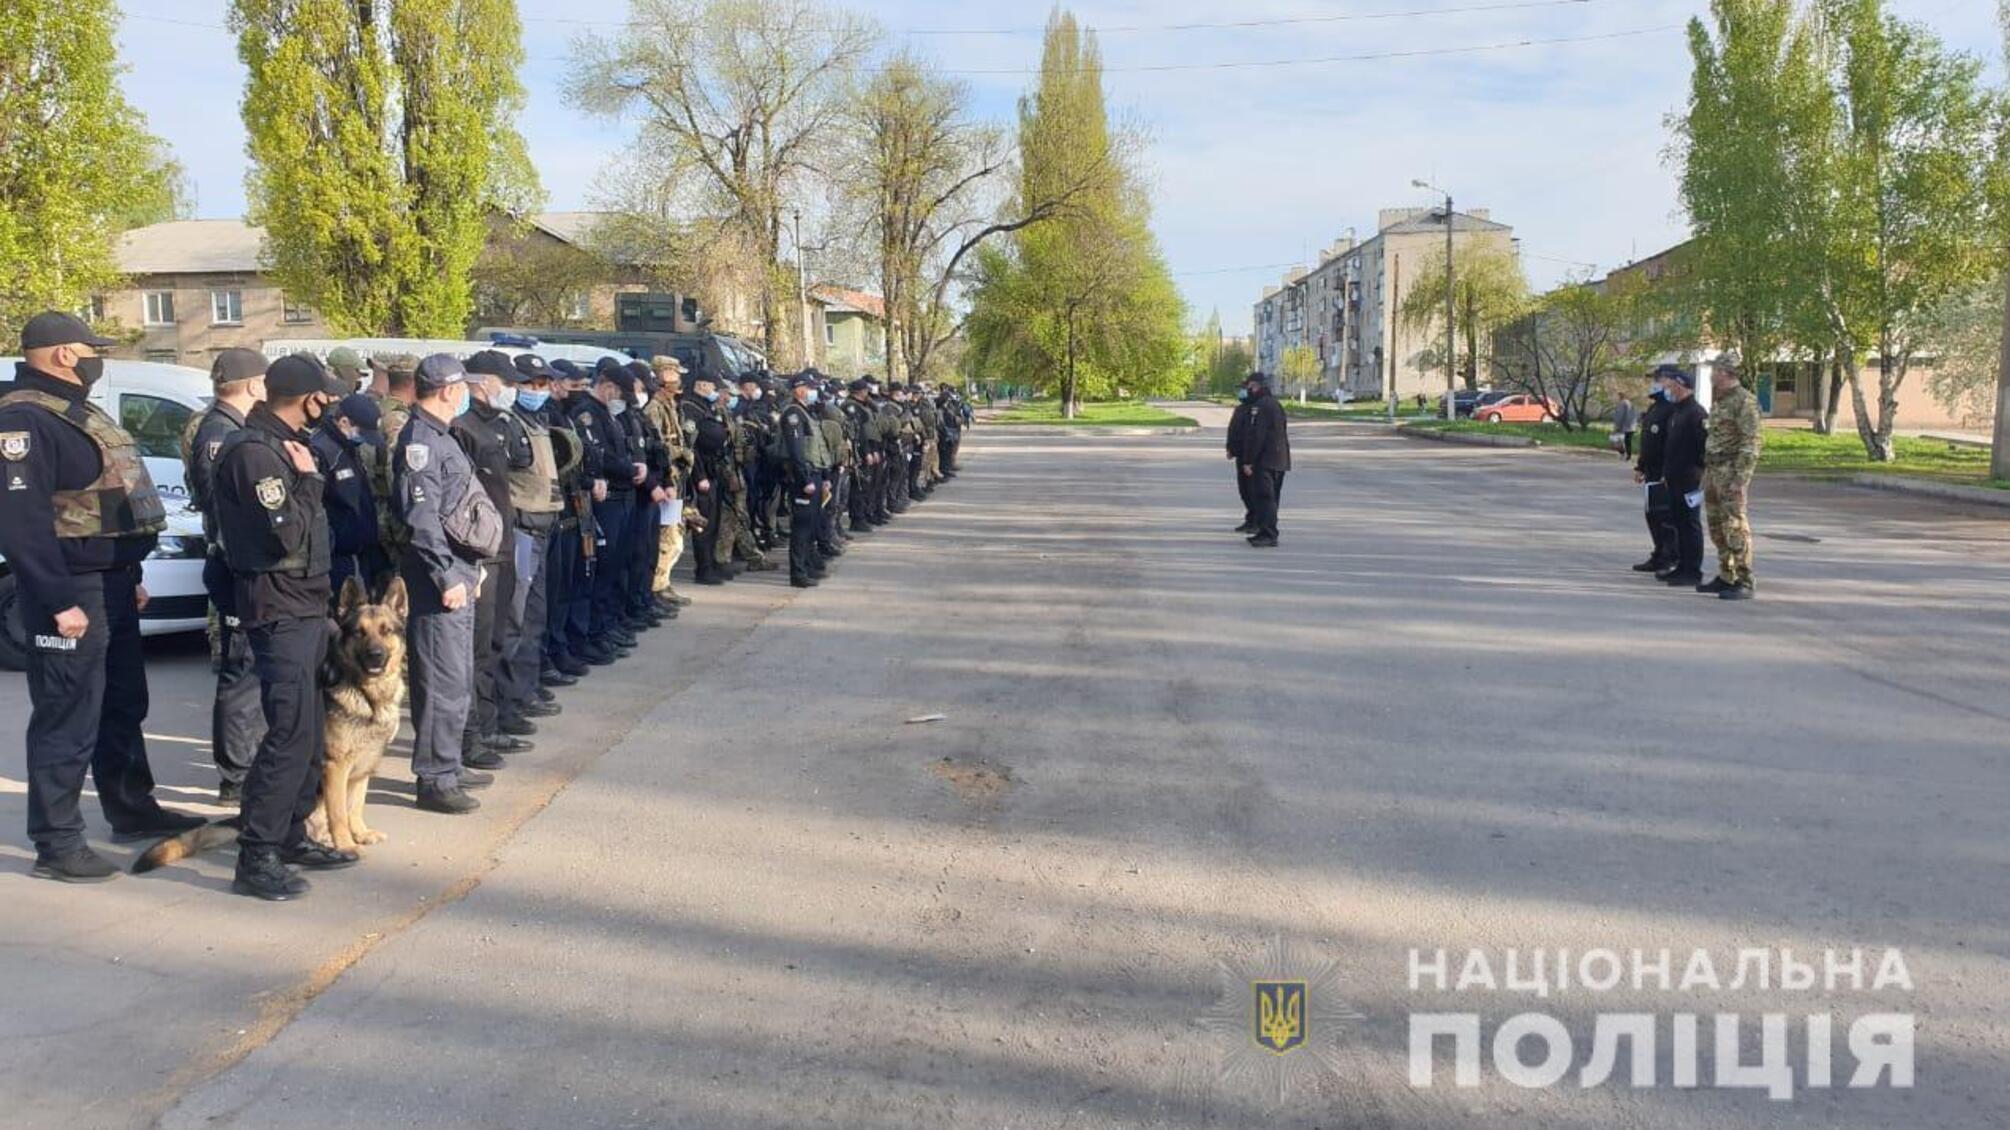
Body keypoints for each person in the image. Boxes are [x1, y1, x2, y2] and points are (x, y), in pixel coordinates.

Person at [0, 312, 205, 881]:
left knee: (120, 703)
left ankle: (132, 808)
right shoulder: (23, 419)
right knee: (67, 714)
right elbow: (20, 524)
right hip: (69, 589)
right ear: (63, 354)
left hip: (110, 581)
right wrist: (58, 599)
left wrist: (128, 573)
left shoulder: (76, 411)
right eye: (91, 349)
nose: (97, 358)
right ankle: (57, 843)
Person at [213, 354, 359, 899]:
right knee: (290, 734)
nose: (330, 405)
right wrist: (308, 481)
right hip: (278, 607)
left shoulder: (279, 446)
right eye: (326, 396)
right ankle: (258, 854)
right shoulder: (256, 454)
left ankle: (292, 831)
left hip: (303, 603)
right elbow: (285, 535)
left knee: (310, 729)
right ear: (306, 398)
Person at [398, 354, 500, 815]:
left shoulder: (441, 436)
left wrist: (468, 569)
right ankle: (435, 777)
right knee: (440, 679)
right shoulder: (420, 441)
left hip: (459, 571)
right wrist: (445, 575)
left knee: (455, 678)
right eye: (461, 387)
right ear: (446, 390)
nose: (465, 395)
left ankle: (449, 763)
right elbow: (421, 519)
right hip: (438, 578)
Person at [180, 347, 270, 806]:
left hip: (239, 564)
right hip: (233, 566)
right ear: (255, 385)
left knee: (249, 669)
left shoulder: (231, 427)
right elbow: (225, 509)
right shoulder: (219, 432)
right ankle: (236, 776)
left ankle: (245, 766)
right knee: (240, 672)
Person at [452, 352, 527, 767]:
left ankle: (492, 719)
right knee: (476, 649)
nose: (511, 390)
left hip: (504, 545)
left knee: (498, 639)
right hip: (480, 552)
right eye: (506, 382)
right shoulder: (463, 429)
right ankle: (473, 734)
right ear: (482, 382)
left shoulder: (498, 424)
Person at [495, 353, 572, 715]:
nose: (541, 390)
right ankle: (510, 697)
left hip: (544, 525)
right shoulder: (508, 423)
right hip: (522, 528)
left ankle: (526, 686)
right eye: (534, 384)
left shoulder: (537, 419)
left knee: (535, 615)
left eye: (544, 384)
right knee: (517, 617)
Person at [310, 393, 386, 600]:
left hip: (359, 555)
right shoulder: (323, 451)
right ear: (344, 422)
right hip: (337, 558)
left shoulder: (349, 449)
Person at [1701, 360, 1763, 600]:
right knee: (1717, 527)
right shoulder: (1721, 399)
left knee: (1735, 526)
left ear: (1725, 372)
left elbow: (1751, 442)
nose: (1711, 375)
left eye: (1714, 371)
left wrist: (1741, 479)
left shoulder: (1744, 401)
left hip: (1730, 473)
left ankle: (1745, 579)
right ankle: (1726, 575)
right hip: (1714, 470)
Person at [645, 356, 694, 608]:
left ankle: (663, 583)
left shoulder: (671, 405)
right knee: (669, 538)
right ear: (663, 375)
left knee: (674, 536)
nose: (679, 379)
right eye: (674, 374)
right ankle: (657, 587)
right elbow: (656, 445)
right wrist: (678, 453)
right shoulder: (654, 407)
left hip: (675, 478)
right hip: (665, 480)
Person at [1657, 367, 1709, 588]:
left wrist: (1697, 473)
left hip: (1689, 479)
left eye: (1669, 385)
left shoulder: (1696, 413)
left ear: (1680, 386)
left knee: (1690, 524)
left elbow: (1703, 448)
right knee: (1678, 522)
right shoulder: (1677, 412)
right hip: (1674, 478)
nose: (1667, 389)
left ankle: (1692, 570)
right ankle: (1682, 566)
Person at [778, 374, 829, 588]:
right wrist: (805, 478)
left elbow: (818, 446)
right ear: (798, 389)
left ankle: (807, 567)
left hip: (814, 473)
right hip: (803, 476)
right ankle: (798, 573)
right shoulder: (793, 414)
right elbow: (796, 450)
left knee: (810, 524)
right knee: (801, 527)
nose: (811, 391)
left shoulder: (805, 412)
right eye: (808, 387)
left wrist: (824, 477)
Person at [680, 374, 732, 585]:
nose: (716, 391)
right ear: (701, 385)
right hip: (701, 474)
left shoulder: (705, 406)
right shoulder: (690, 408)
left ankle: (711, 562)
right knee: (703, 523)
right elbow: (691, 446)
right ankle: (704, 568)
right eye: (713, 386)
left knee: (714, 521)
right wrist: (699, 476)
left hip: (713, 470)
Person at [1631, 367, 1680, 575]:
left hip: (1663, 472)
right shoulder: (1654, 408)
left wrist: (1667, 472)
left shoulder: (1672, 409)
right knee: (1652, 514)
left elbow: (1672, 444)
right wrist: (1641, 466)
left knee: (1665, 516)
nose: (1653, 383)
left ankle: (1670, 556)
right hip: (1651, 471)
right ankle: (1659, 553)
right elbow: (1648, 442)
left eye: (1658, 380)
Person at [1236, 373, 1290, 548]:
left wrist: (1249, 461)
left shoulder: (1261, 406)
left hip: (1266, 460)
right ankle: (1265, 530)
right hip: (1278, 459)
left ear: (1257, 386)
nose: (1248, 391)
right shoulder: (1274, 404)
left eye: (1250, 387)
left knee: (1265, 498)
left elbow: (1257, 436)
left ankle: (1269, 534)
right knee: (1271, 499)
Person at [1226, 380, 1255, 533]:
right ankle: (1250, 519)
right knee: (1244, 490)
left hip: (1249, 456)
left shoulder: (1254, 409)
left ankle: (1256, 521)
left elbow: (1252, 435)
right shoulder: (1240, 409)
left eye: (1244, 389)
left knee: (1252, 491)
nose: (1242, 392)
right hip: (1239, 455)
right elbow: (1233, 430)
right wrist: (1230, 448)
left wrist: (1250, 459)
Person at [1610, 385, 1640, 460]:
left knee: (1617, 440)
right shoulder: (1630, 403)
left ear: (1620, 396)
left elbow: (1620, 416)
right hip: (1631, 425)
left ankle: (1623, 454)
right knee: (1628, 441)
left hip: (1624, 426)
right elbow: (1636, 414)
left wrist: (1617, 426)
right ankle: (1628, 455)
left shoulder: (1622, 403)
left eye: (1618, 395)